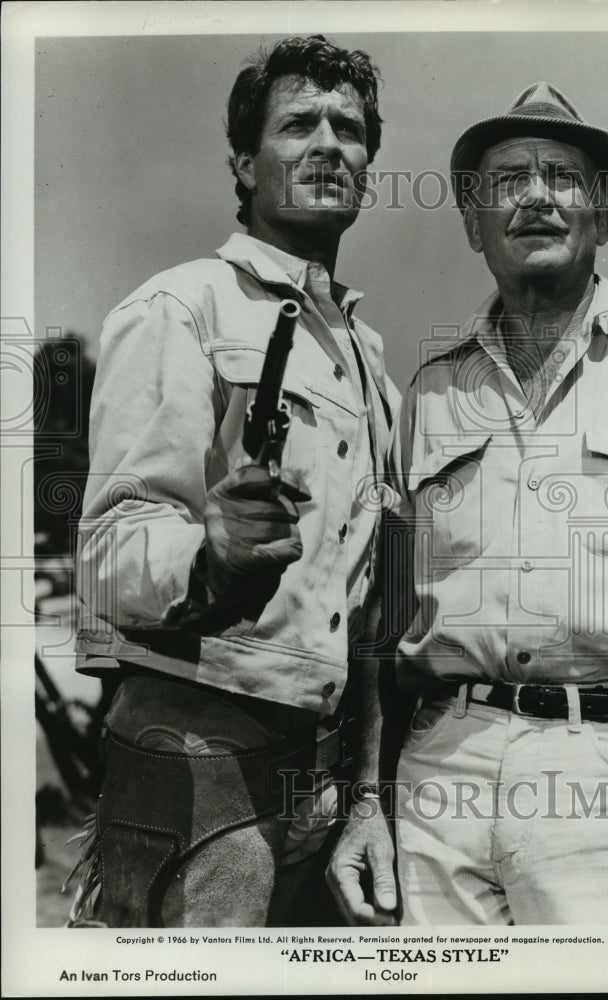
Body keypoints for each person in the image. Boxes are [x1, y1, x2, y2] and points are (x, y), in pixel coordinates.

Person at [350, 82, 608, 925]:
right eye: (506, 180)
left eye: (561, 177)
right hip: (441, 778)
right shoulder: (428, 393)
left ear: (603, 212)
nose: (535, 196)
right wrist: (366, 794)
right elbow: (377, 620)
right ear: (471, 222)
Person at [68, 34, 399, 928]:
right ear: (244, 163)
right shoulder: (179, 306)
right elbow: (107, 549)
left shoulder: (369, 366)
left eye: (351, 128)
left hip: (322, 780)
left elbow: (368, 607)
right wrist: (207, 556)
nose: (330, 143)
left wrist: (365, 794)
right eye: (299, 124)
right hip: (195, 751)